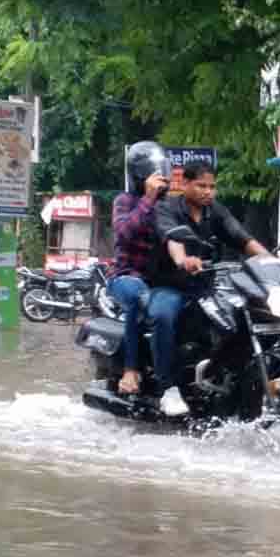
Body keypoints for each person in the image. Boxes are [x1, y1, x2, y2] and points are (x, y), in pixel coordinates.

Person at [148, 161, 270, 416]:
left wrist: (271, 261)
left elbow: (242, 238)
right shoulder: (166, 208)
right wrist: (183, 260)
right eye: (201, 185)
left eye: (212, 187)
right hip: (170, 285)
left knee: (243, 315)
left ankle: (232, 379)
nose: (208, 192)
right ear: (185, 184)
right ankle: (168, 389)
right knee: (162, 315)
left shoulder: (215, 211)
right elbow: (173, 238)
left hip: (206, 286)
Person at [109, 141, 170, 395]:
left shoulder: (169, 207)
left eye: (162, 172)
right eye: (153, 173)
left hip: (161, 280)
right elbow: (124, 234)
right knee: (139, 295)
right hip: (126, 277)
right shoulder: (125, 201)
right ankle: (131, 369)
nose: (160, 179)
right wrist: (148, 199)